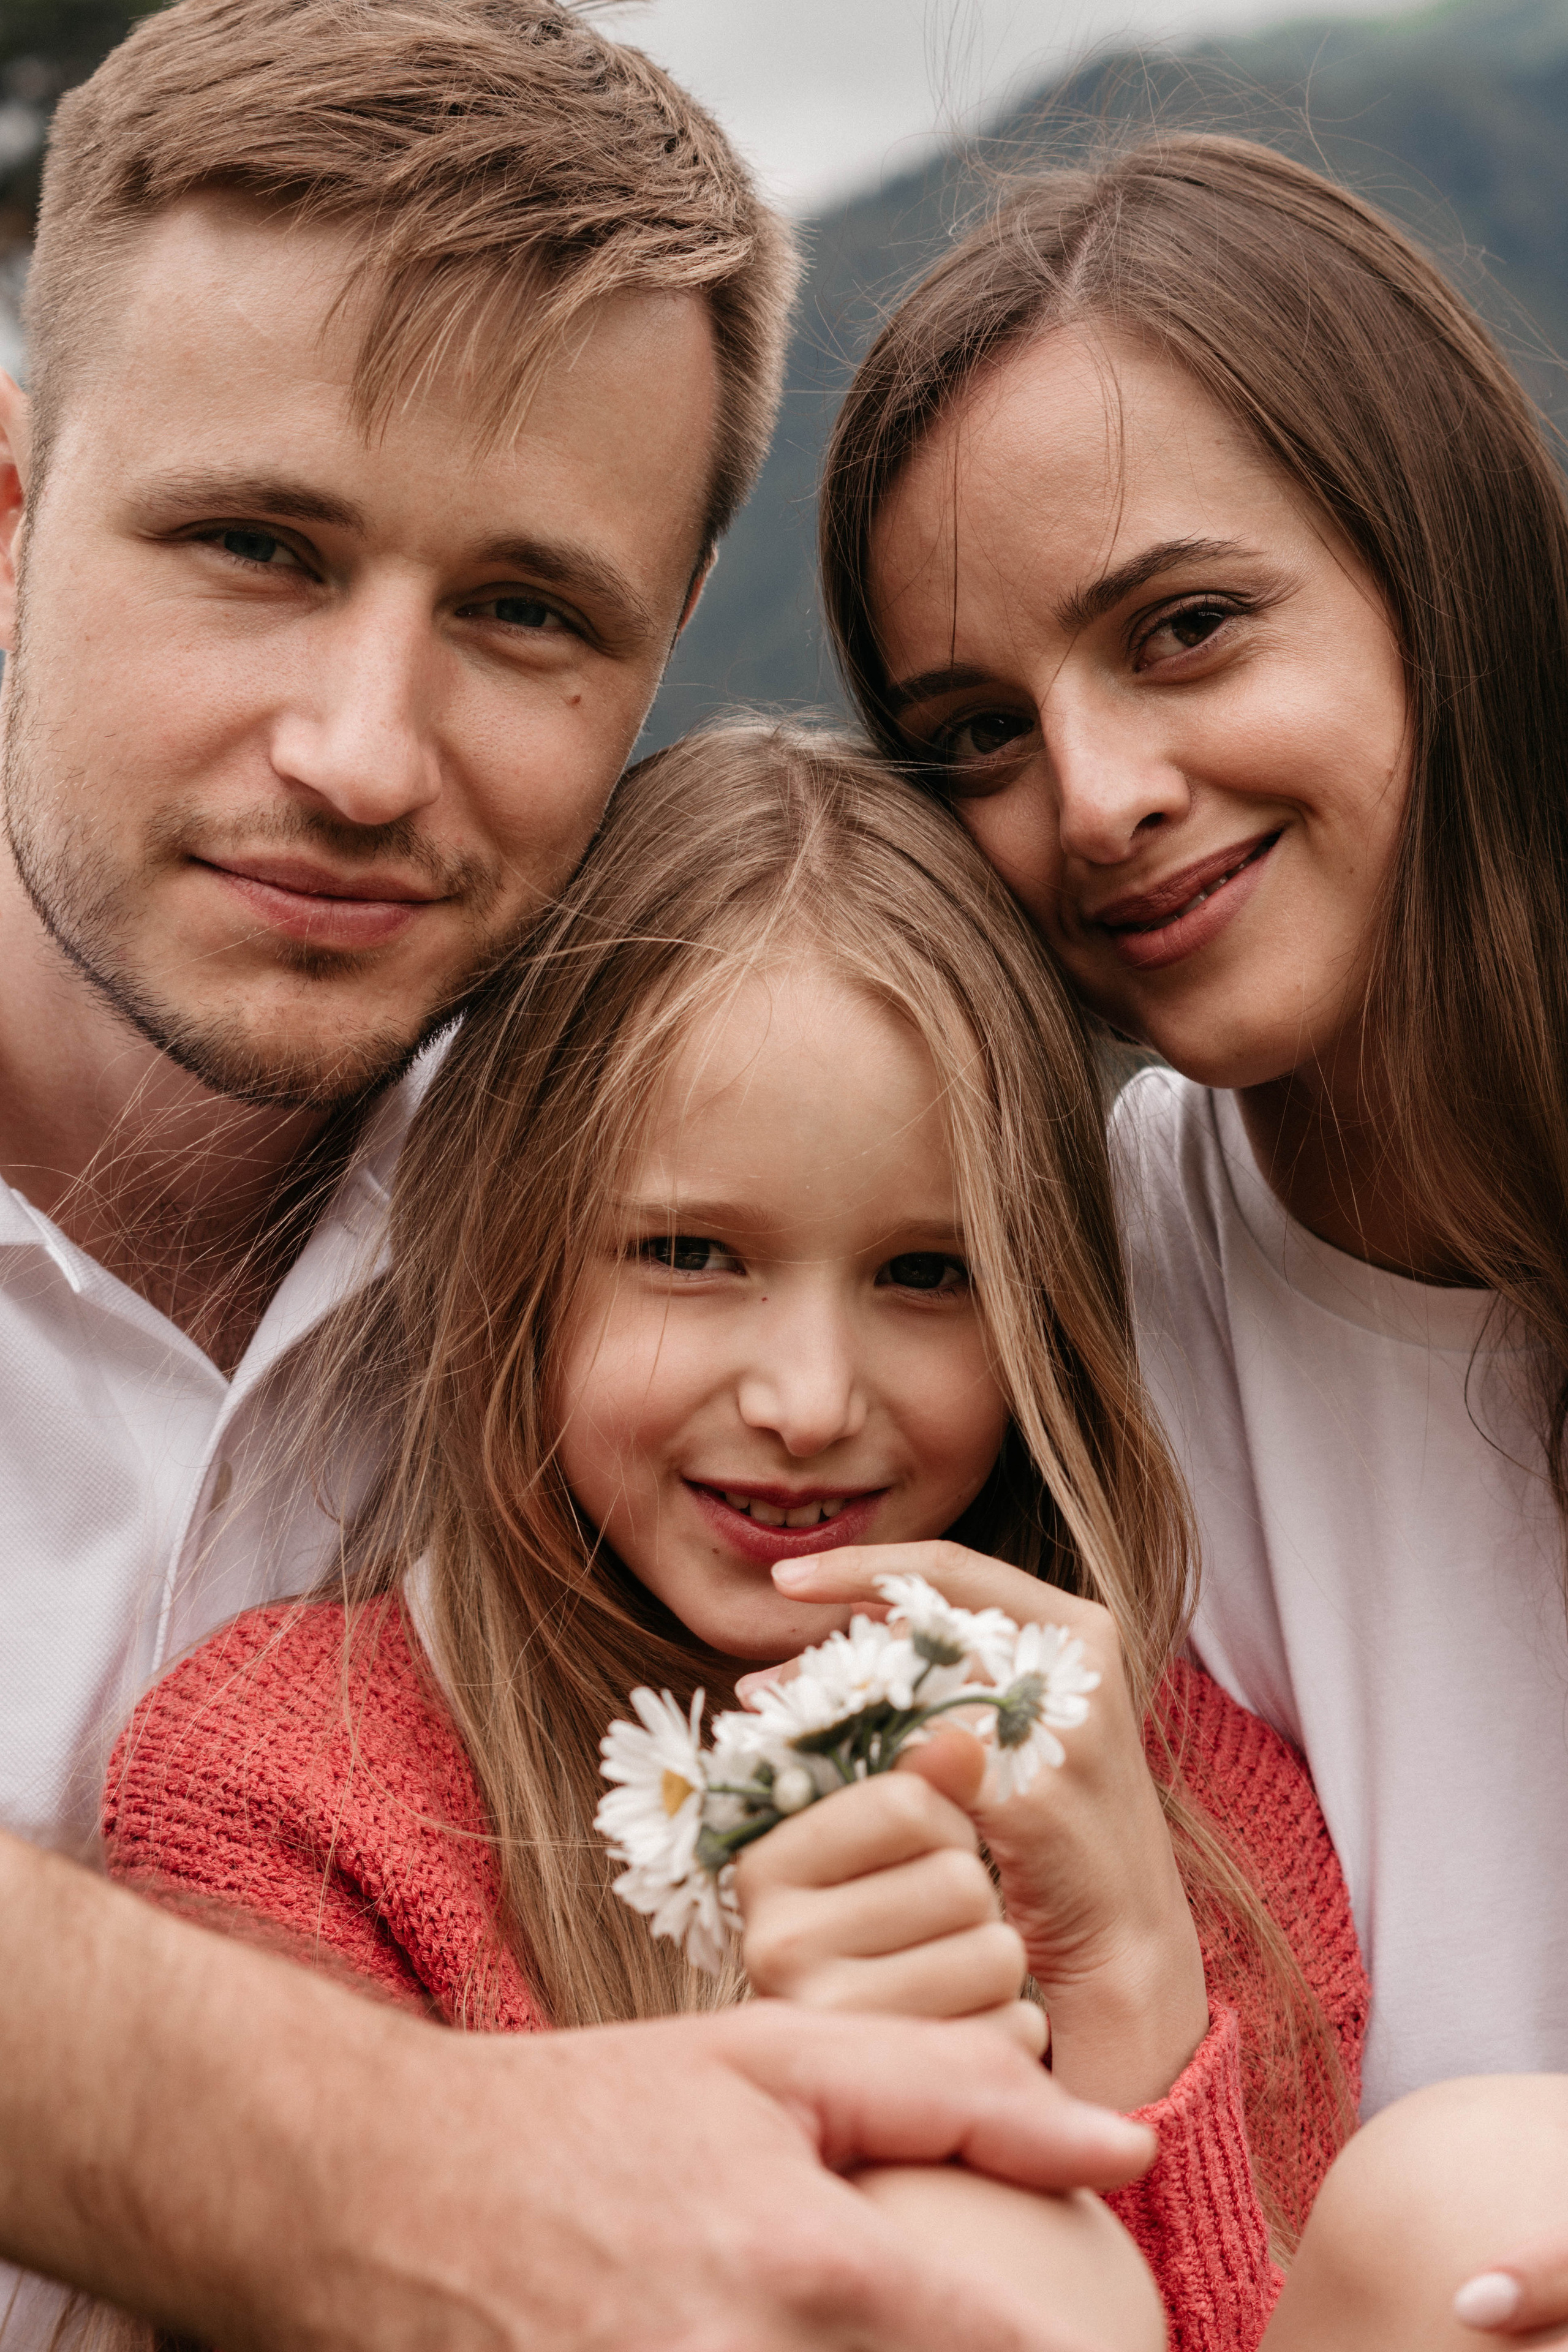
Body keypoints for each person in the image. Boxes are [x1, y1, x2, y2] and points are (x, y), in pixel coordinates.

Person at [0, 2, 1153, 2345]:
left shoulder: (663, 1250)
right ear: (12, 522)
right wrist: (412, 2172)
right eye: (254, 545)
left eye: (527, 612)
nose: (357, 751)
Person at [102, 722, 1367, 2352]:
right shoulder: (292, 1787)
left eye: (929, 1275)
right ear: (516, 1245)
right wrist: (761, 2119)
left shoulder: (1191, 1809)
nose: (809, 1397)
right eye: (693, 1253)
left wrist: (1128, 1986)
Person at [816, 128, 1568, 2335]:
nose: (1100, 794)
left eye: (1188, 629)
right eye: (976, 734)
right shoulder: (1051, 1303)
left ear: (1442, 576)